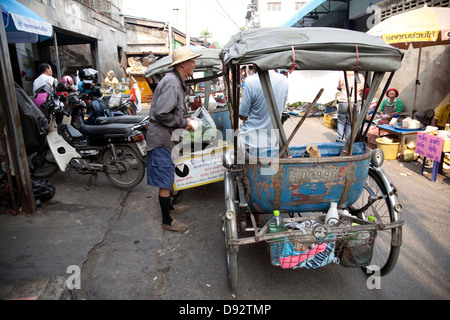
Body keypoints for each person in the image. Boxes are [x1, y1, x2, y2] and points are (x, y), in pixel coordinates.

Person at [145, 46, 199, 232]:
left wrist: (184, 120)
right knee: (164, 181)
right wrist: (183, 123)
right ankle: (167, 221)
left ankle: (170, 207)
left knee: (167, 176)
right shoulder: (172, 82)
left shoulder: (175, 80)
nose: (194, 64)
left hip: (166, 139)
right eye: (191, 61)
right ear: (183, 64)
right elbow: (161, 113)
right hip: (160, 140)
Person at [238, 66, 289, 152]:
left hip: (250, 142)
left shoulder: (251, 81)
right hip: (272, 142)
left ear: (254, 64)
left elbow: (242, 116)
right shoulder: (284, 80)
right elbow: (280, 109)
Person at [336, 71, 365, 142]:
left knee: (341, 121)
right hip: (355, 101)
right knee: (350, 122)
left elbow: (339, 87)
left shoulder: (342, 75)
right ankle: (347, 139)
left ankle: (340, 138)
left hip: (344, 101)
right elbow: (362, 88)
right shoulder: (360, 76)